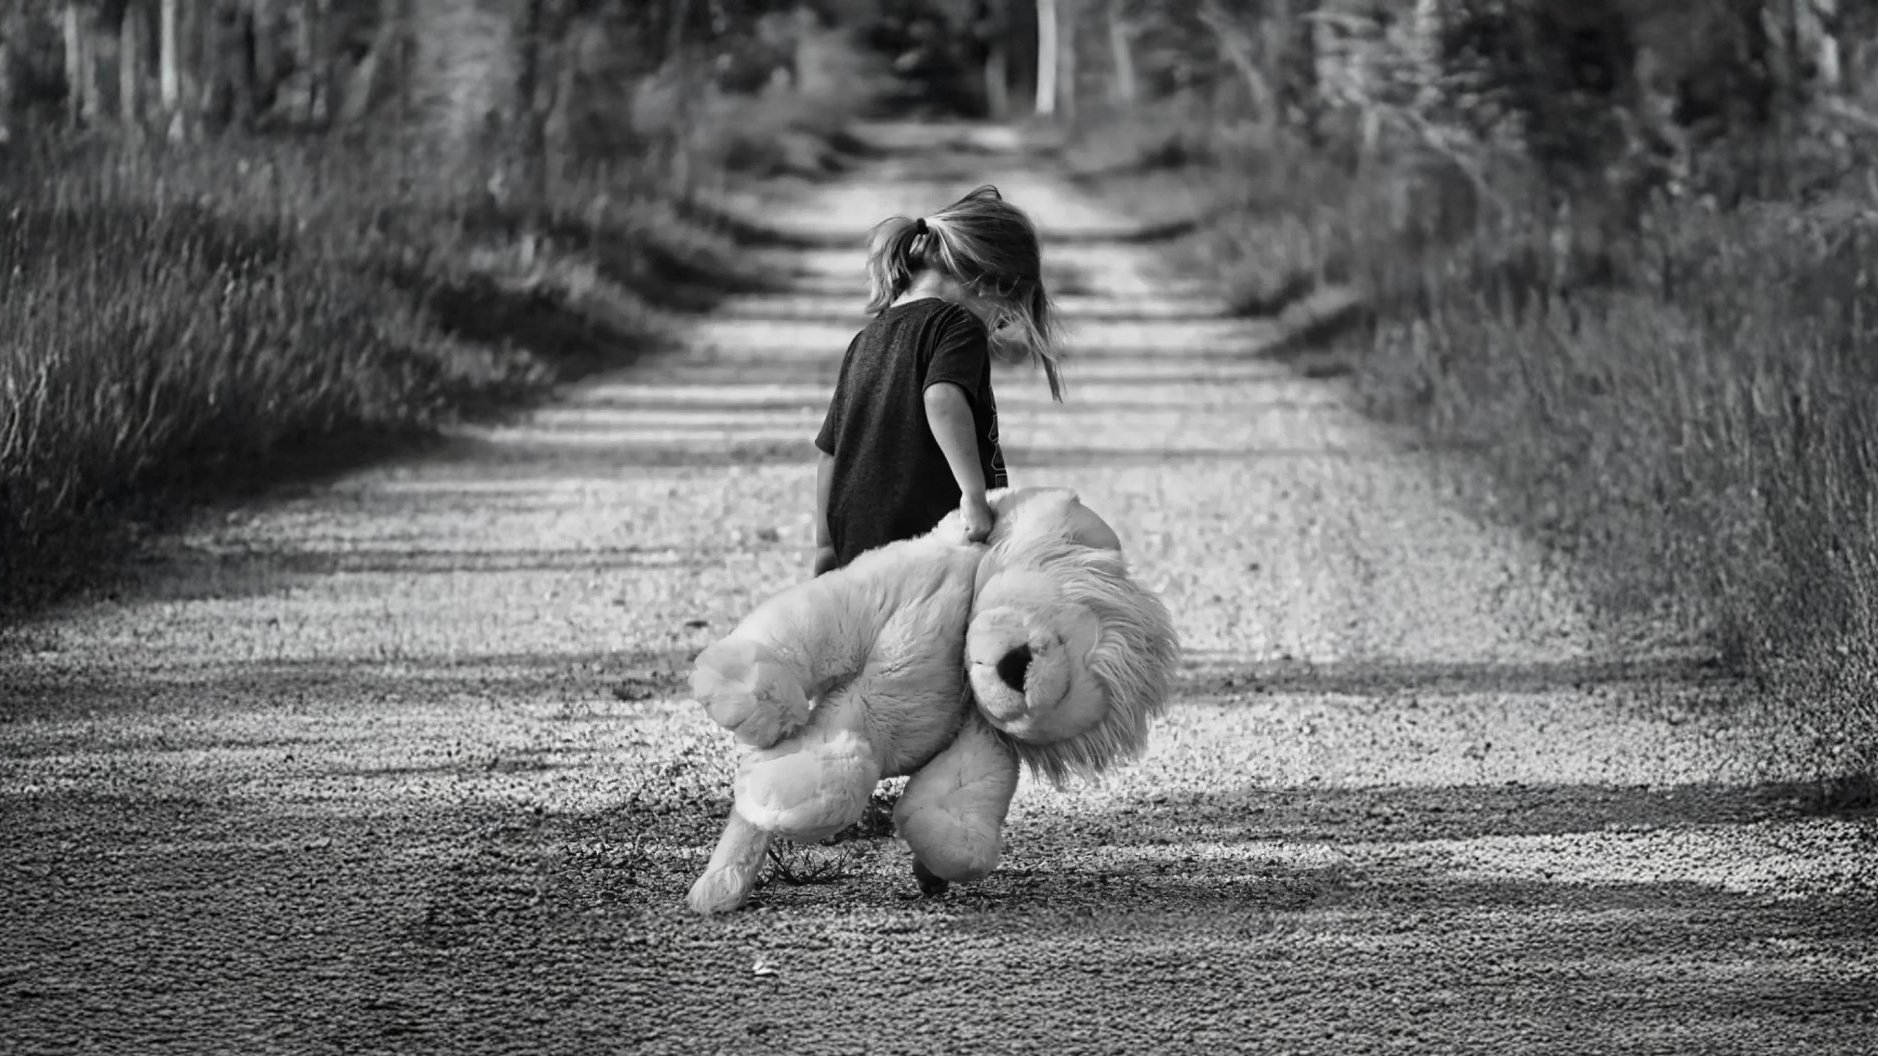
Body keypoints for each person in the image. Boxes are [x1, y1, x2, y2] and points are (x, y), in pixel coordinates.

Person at [812, 184, 1063, 575]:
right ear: (988, 280)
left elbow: (830, 451)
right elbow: (942, 398)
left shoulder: (866, 338)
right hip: (927, 537)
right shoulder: (957, 324)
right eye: (1005, 314)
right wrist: (974, 495)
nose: (1000, 324)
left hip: (857, 542)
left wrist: (826, 545)